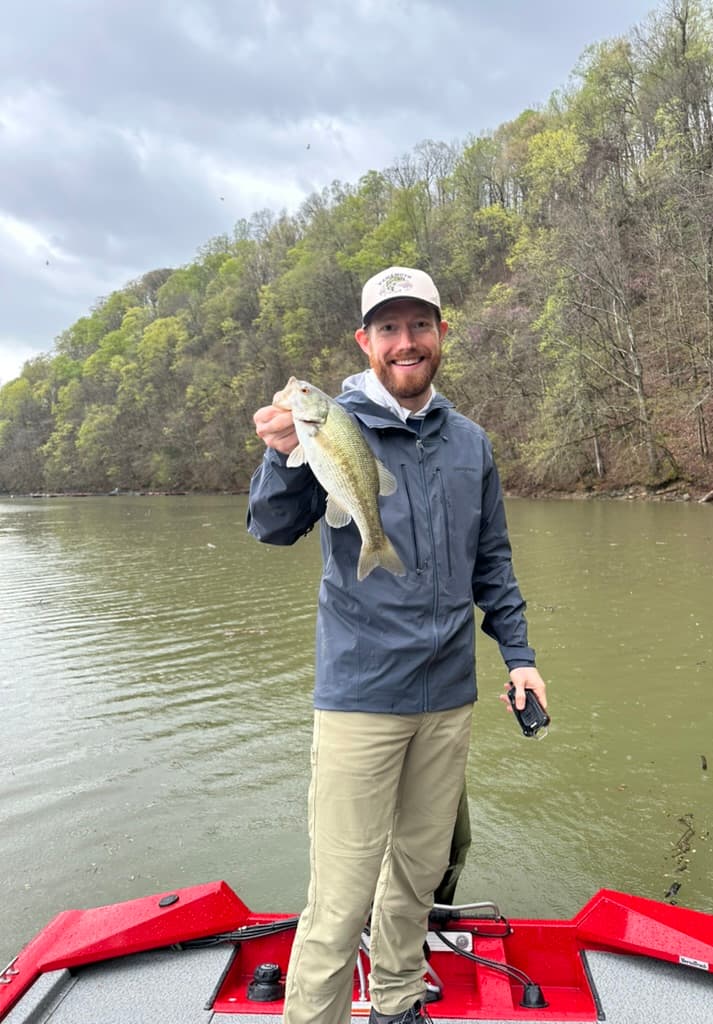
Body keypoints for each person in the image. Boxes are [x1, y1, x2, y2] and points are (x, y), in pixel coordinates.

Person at [247, 266, 547, 1024]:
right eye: (388, 328)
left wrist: (519, 655)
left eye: (419, 325)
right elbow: (273, 527)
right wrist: (284, 454)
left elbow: (494, 563)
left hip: (448, 696)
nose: (404, 342)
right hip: (362, 697)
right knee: (341, 896)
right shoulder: (330, 423)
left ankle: (397, 1003)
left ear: (441, 335)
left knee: (416, 876)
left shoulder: (470, 444)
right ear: (365, 341)